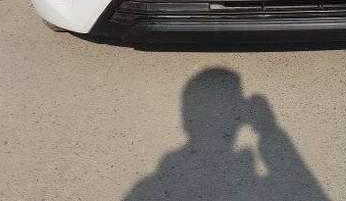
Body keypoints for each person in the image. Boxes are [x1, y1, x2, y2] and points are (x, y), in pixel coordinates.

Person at [122, 68, 329, 201]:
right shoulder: (254, 187)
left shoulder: (149, 190)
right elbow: (308, 194)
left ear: (186, 119)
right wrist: (268, 131)